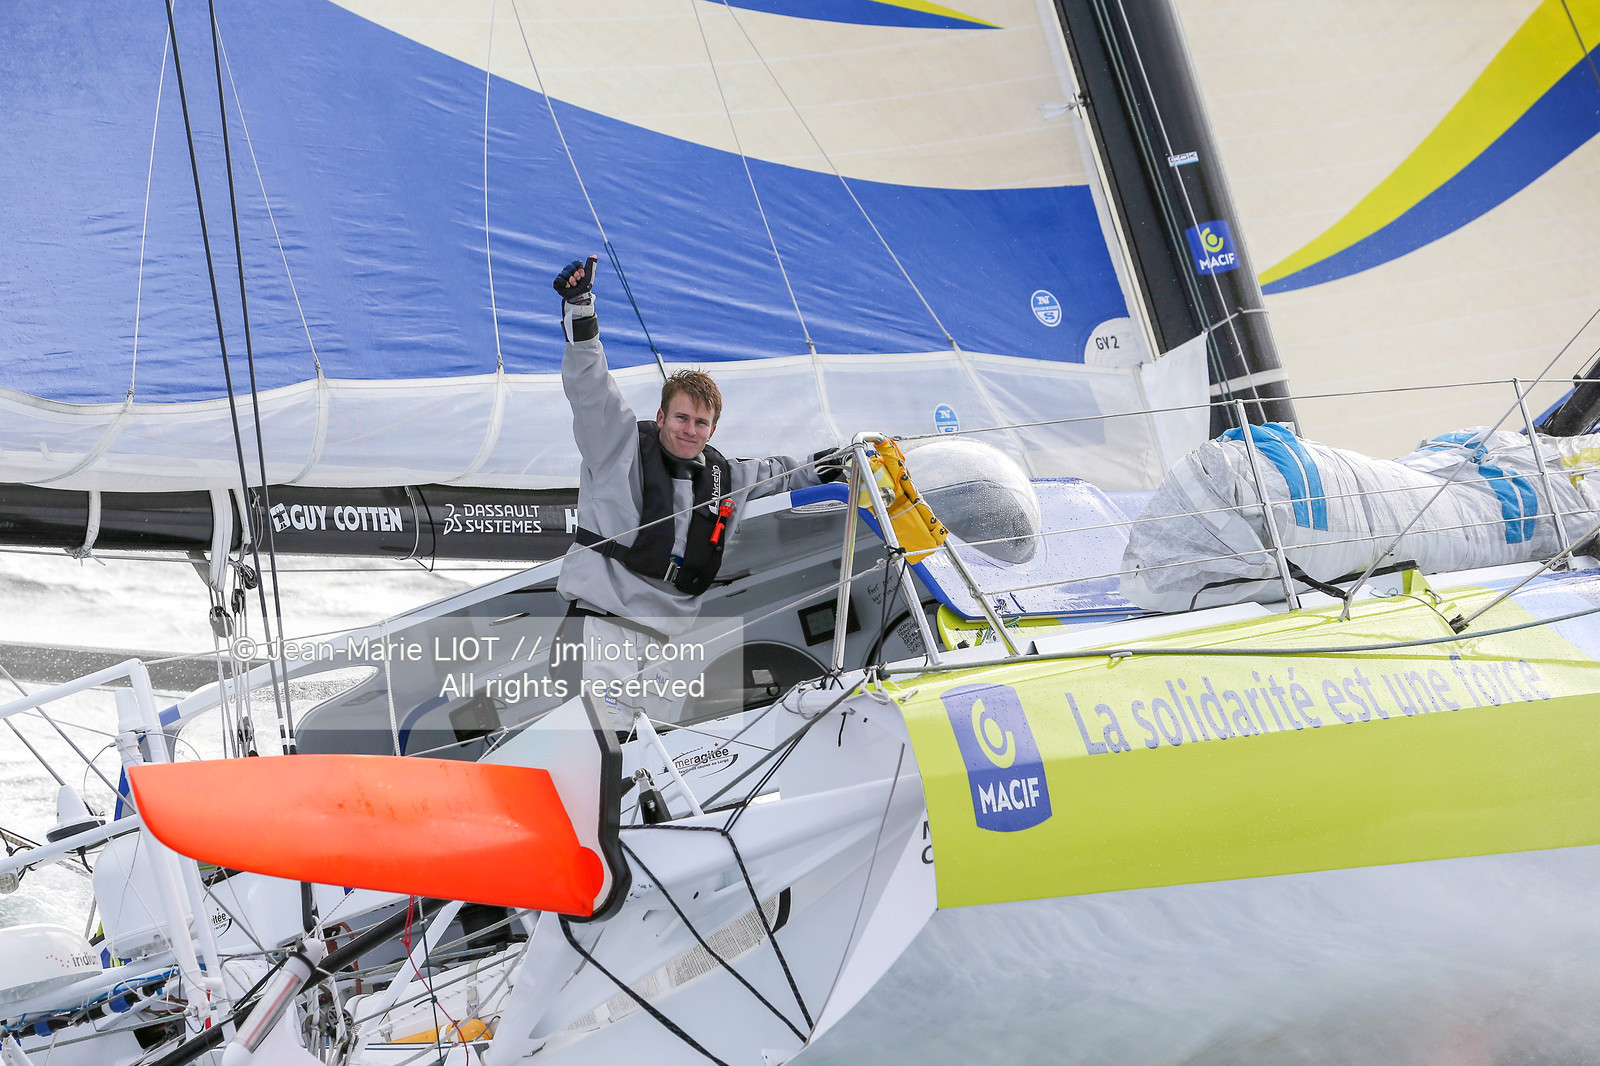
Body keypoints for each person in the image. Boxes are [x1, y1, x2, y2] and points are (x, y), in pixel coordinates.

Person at [548, 255, 837, 731]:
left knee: (651, 769)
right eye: (681, 418)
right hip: (602, 632)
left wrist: (835, 467)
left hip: (662, 649)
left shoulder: (725, 478)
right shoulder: (615, 447)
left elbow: (781, 475)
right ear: (661, 418)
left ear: (712, 429)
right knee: (599, 757)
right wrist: (581, 309)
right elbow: (590, 388)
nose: (689, 429)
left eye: (700, 422)